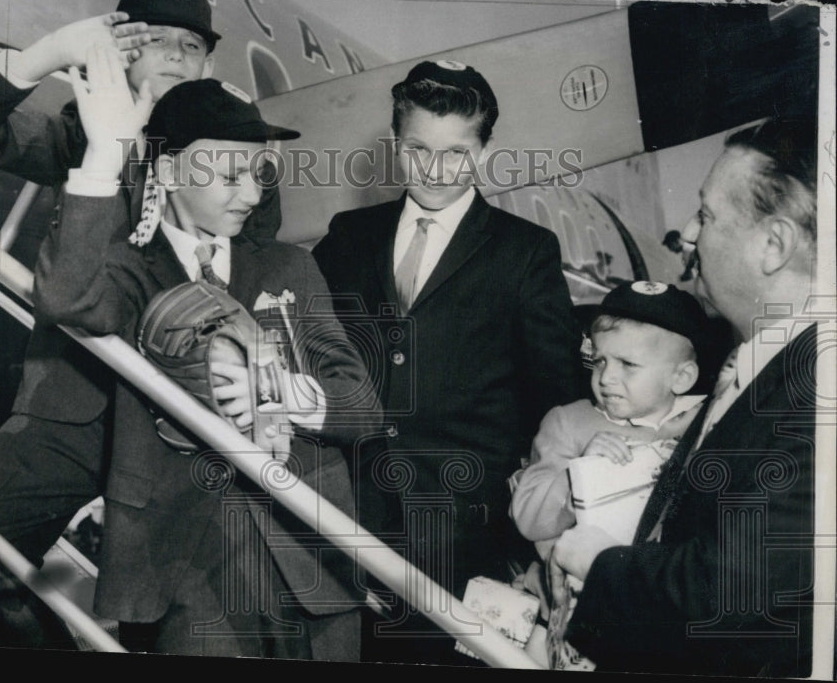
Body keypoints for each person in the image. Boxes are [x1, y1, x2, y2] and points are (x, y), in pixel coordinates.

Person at [0, 0, 280, 650]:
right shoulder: (82, 129)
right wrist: (45, 55)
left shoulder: (238, 149)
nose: (177, 58)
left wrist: (225, 140)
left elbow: (258, 244)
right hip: (70, 405)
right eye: (155, 40)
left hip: (177, 420)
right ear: (121, 52)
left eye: (192, 46)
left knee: (162, 613)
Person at [32, 43, 379, 659]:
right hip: (183, 572)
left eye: (257, 173)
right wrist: (102, 160)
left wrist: (275, 393)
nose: (249, 193)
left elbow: (360, 405)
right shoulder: (128, 272)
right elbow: (66, 298)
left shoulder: (290, 266)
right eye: (228, 176)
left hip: (310, 566)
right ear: (167, 173)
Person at [312, 60, 586, 665]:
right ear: (394, 144)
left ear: (485, 152)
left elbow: (558, 399)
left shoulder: (525, 252)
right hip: (347, 516)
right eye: (417, 148)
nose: (435, 169)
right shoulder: (348, 236)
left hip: (467, 535)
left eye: (456, 153)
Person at [554, 117, 819, 677]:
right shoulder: (762, 365)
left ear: (773, 245)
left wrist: (598, 563)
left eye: (706, 214)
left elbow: (726, 597)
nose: (688, 233)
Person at [509, 281, 709, 670]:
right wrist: (577, 475)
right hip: (575, 621)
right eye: (600, 361)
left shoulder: (703, 426)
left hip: (661, 617)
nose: (606, 378)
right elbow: (528, 515)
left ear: (681, 378)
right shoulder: (569, 421)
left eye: (628, 365)